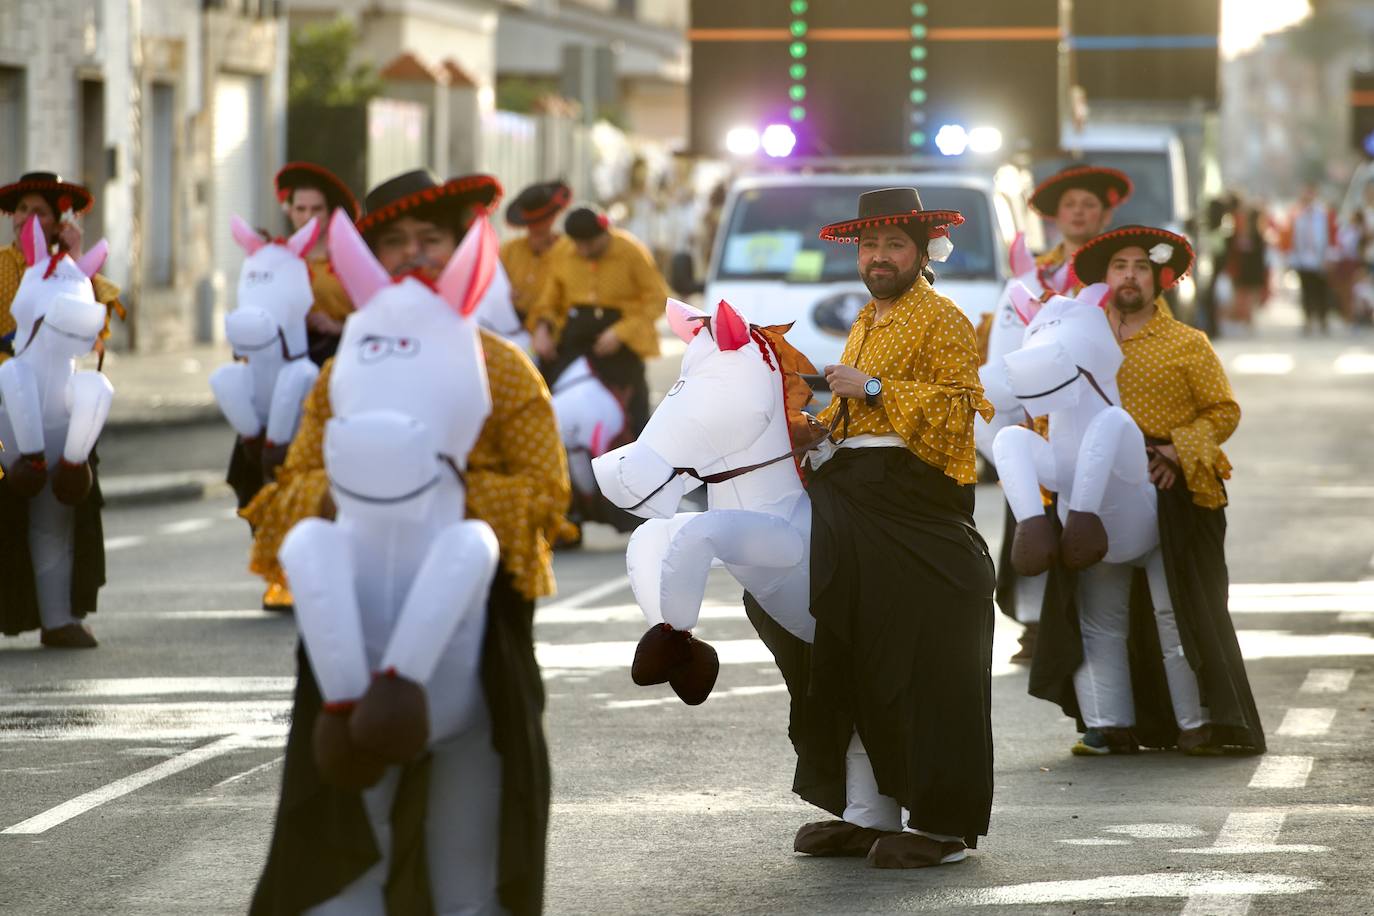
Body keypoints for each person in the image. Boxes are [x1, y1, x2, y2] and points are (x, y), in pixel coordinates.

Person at [249, 168, 569, 915]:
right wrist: (346, 491)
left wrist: (440, 490)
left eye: (431, 240)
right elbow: (289, 490)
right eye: (394, 243)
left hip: (477, 620)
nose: (414, 255)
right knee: (345, 824)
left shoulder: (500, 367)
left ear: (461, 255)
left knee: (475, 830)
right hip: (354, 618)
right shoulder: (347, 369)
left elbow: (545, 495)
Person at [784, 187, 996, 869]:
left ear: (921, 251)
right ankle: (866, 814)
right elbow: (853, 419)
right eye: (870, 245)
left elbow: (961, 410)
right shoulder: (866, 319)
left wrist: (873, 388)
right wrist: (813, 428)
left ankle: (940, 826)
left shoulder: (943, 316)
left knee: (923, 667)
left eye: (893, 245)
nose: (879, 256)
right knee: (849, 654)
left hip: (914, 507)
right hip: (854, 493)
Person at [1028, 226, 1265, 757]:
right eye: (1120, 266)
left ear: (1159, 279)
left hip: (1170, 491)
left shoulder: (1188, 343)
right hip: (1091, 493)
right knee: (1098, 613)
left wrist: (1176, 452)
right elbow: (1048, 408)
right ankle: (1108, 724)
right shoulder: (1076, 341)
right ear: (1104, 278)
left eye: (1140, 267)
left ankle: (1197, 724)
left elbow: (1223, 412)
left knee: (1174, 610)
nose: (1130, 276)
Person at [989, 164, 1134, 664]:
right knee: (1032, 515)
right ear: (1054, 216)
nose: (1078, 212)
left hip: (1100, 409)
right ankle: (1035, 626)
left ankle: (1100, 623)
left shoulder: (1121, 272)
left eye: (1089, 205)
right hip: (1038, 418)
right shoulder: (1031, 277)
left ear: (1105, 215)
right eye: (1070, 204)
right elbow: (1006, 347)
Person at [527, 205, 665, 540]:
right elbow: (549, 301)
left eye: (591, 243)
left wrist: (621, 332)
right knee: (557, 425)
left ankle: (638, 515)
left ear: (605, 232)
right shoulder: (564, 253)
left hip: (620, 348)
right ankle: (567, 516)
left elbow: (656, 299)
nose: (585, 250)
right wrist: (543, 328)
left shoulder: (630, 251)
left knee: (632, 428)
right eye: (579, 244)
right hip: (574, 345)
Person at [0, 171, 124, 362]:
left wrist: (74, 258)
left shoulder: (66, 272)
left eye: (39, 213)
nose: (26, 219)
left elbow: (89, 328)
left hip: (52, 376)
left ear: (59, 225)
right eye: (22, 209)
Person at [273, 162, 361, 365]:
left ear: (329, 212)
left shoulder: (352, 258)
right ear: (290, 212)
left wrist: (337, 326)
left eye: (317, 209)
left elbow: (376, 314)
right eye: (300, 209)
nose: (308, 217)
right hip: (288, 361)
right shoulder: (277, 260)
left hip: (341, 356)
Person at [500, 179, 574, 323]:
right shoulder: (509, 250)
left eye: (542, 220)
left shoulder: (569, 252)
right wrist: (503, 294)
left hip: (551, 328)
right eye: (532, 223)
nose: (536, 227)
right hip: (508, 325)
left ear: (553, 217)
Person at [1220, 195, 1270, 335]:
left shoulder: (1251, 234)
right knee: (1249, 295)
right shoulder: (1255, 234)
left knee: (1245, 294)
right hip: (1250, 268)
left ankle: (1247, 319)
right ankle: (1247, 319)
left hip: (1248, 268)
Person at [1289, 184, 1335, 336]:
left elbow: (1330, 235)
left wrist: (1329, 256)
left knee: (1321, 290)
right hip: (1303, 259)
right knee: (1306, 290)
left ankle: (1323, 318)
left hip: (1320, 258)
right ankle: (1308, 319)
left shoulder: (1323, 214)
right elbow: (1294, 238)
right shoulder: (1298, 215)